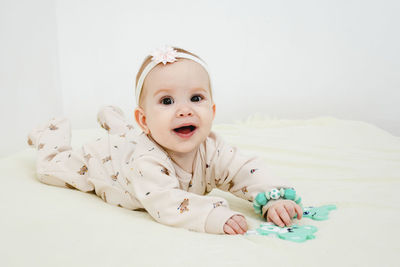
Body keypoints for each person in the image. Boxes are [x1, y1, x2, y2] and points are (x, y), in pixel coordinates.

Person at [28, 46, 303, 235]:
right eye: (167, 101)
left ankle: (114, 118)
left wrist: (271, 197)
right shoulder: (146, 161)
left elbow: (245, 170)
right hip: (110, 163)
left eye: (196, 98)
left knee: (127, 134)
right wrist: (215, 215)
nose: (185, 110)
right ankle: (51, 131)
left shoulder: (212, 147)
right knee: (50, 169)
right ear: (145, 120)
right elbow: (166, 202)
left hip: (135, 137)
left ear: (213, 111)